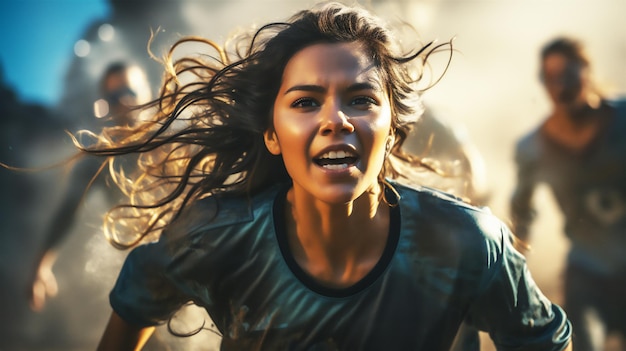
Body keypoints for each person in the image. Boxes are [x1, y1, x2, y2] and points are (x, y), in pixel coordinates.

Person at [74, 3, 573, 350]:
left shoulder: (467, 245)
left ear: (394, 128)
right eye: (306, 102)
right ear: (272, 135)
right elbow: (138, 299)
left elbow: (542, 340)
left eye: (361, 99)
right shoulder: (214, 236)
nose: (336, 119)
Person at [511, 36, 626, 350]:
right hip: (587, 273)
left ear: (587, 72)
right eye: (552, 79)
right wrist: (513, 269)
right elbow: (522, 210)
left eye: (569, 76)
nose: (561, 87)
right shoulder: (533, 148)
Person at [27, 62, 151, 311]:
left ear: (146, 92)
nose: (124, 102)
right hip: (148, 266)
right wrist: (41, 265)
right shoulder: (100, 157)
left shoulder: (176, 138)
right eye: (114, 96)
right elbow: (68, 210)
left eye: (130, 92)